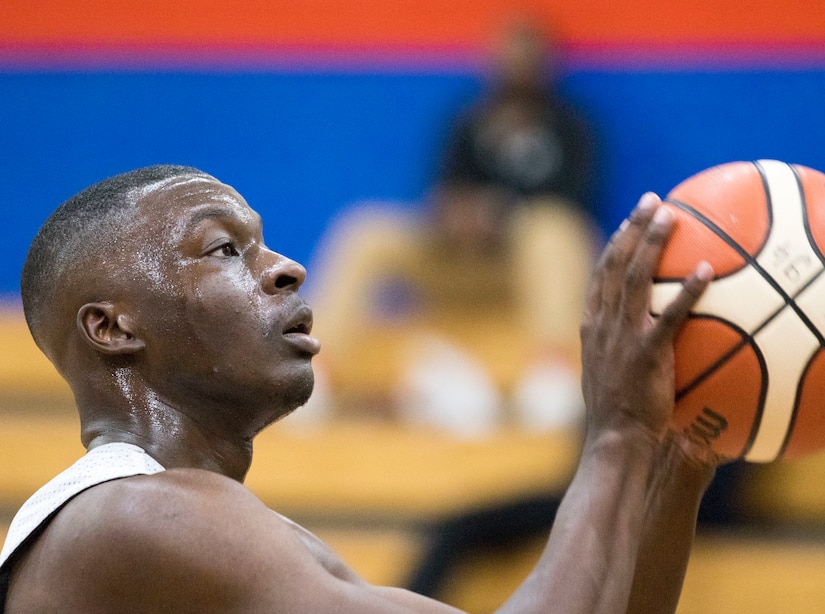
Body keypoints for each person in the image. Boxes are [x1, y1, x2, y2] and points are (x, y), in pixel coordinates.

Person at [0, 164, 719, 613]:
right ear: (112, 327)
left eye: (265, 242)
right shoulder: (136, 516)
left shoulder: (241, 539)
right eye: (224, 249)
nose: (287, 268)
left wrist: (668, 457)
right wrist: (617, 433)